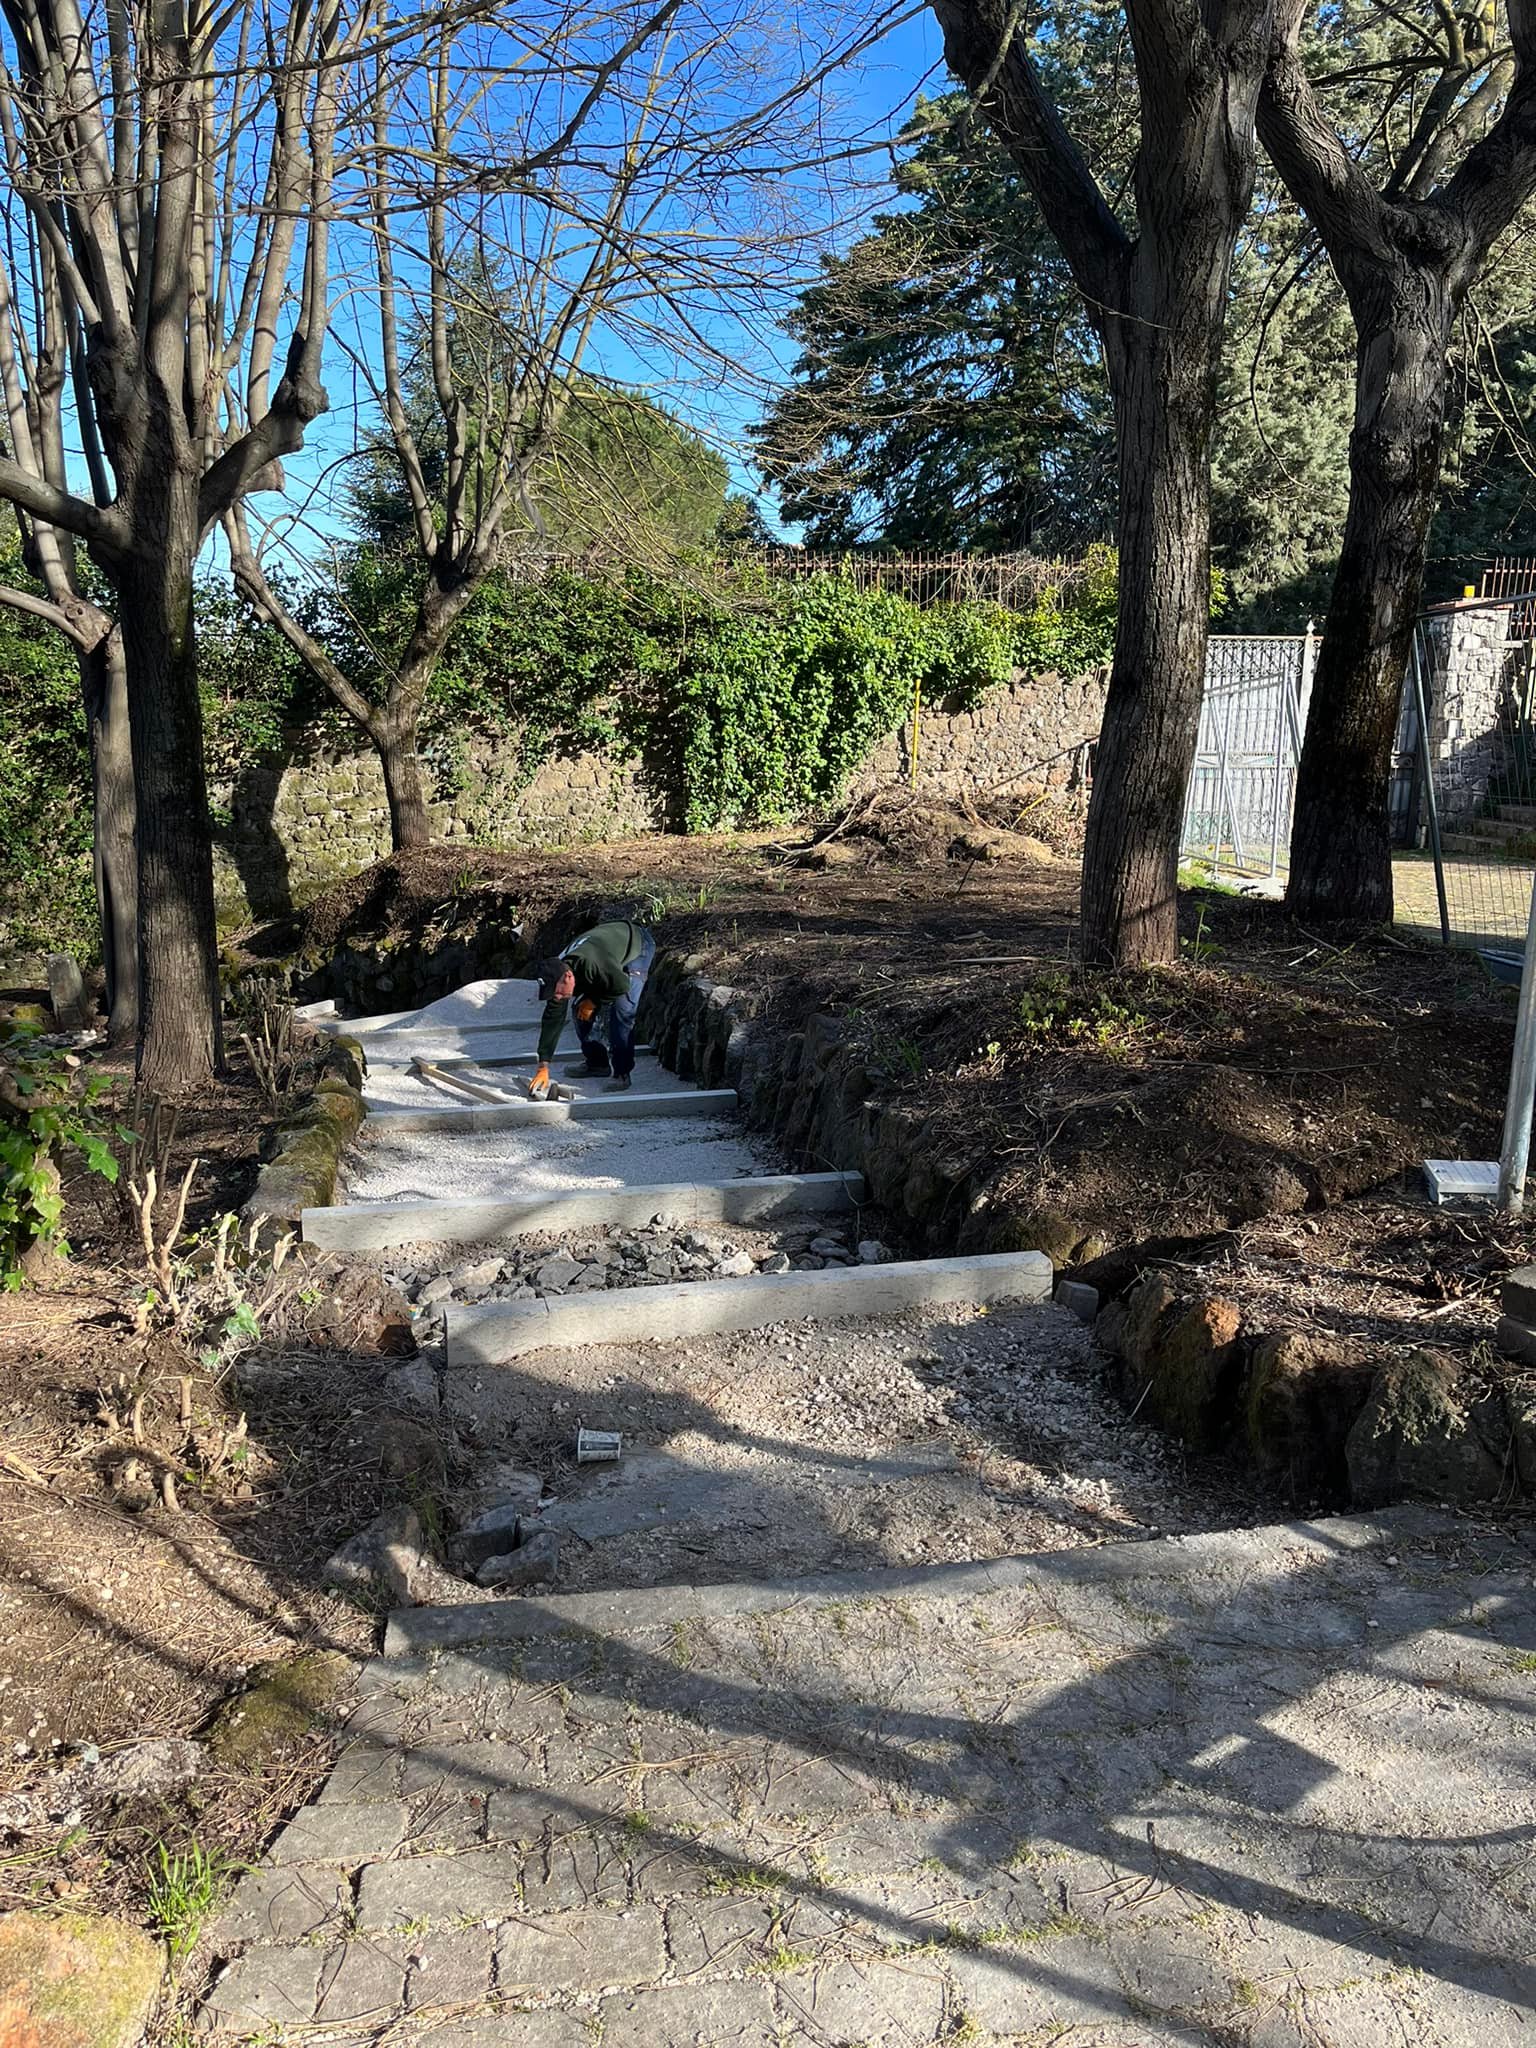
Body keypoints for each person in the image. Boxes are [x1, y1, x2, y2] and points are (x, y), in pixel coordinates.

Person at [529, 919, 656, 1096]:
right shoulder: (557, 970)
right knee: (580, 1010)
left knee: (623, 1009)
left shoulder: (592, 963)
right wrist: (543, 1065)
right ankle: (597, 1063)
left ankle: (622, 1073)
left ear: (568, 977)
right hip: (608, 950)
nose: (556, 997)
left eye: (556, 992)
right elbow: (552, 1020)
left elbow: (621, 985)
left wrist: (594, 1000)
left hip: (637, 946)